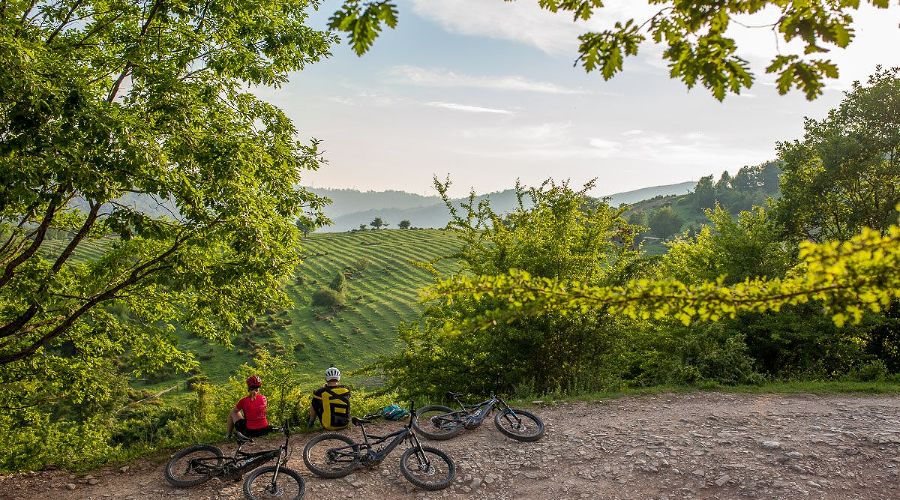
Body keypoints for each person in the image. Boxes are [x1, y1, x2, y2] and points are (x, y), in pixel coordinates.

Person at [308, 366, 351, 430]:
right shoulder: (346, 389)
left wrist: (324, 388)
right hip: (345, 424)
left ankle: (311, 423)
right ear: (338, 378)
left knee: (314, 402)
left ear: (326, 378)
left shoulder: (321, 392)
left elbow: (316, 403)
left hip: (328, 425)